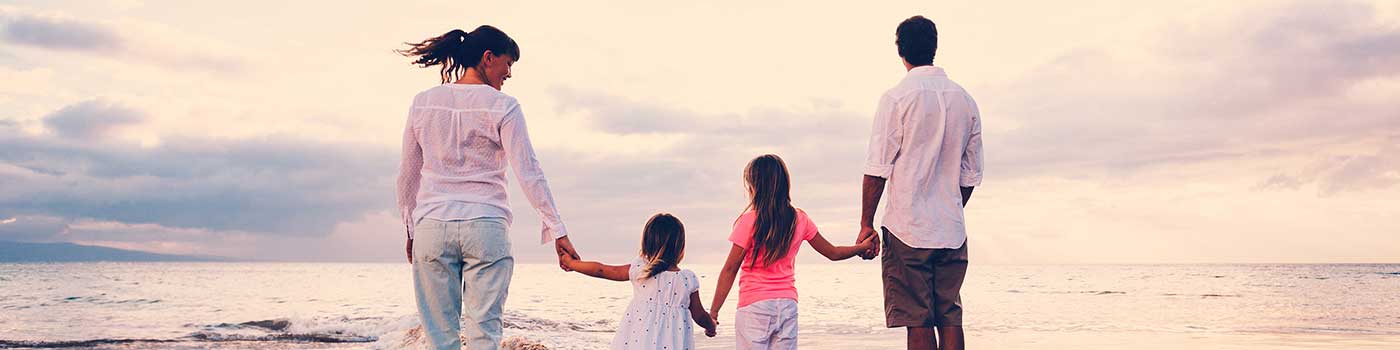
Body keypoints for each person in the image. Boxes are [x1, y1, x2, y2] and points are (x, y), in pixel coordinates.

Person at [395, 25, 580, 350]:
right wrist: (558, 230)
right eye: (507, 64)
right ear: (488, 57)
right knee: (485, 335)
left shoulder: (423, 103)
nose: (509, 73)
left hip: (433, 227)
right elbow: (529, 172)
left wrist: (411, 230)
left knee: (440, 338)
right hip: (485, 226)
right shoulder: (504, 106)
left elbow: (407, 175)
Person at [856, 15, 984, 350]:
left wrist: (866, 223)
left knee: (918, 319)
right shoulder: (965, 100)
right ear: (934, 48)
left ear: (901, 51)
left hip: (908, 228)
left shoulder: (897, 98)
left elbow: (877, 168)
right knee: (950, 315)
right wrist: (949, 204)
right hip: (952, 230)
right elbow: (970, 175)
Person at [710, 154, 877, 349]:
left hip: (754, 307)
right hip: (787, 305)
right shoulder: (799, 219)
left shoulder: (749, 221)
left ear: (754, 186)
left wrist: (713, 313)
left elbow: (730, 269)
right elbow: (833, 253)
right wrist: (861, 247)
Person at [560, 213, 718, 349]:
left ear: (646, 244)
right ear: (680, 247)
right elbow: (699, 315)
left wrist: (572, 264)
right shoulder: (686, 280)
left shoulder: (641, 271)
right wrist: (711, 326)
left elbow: (601, 270)